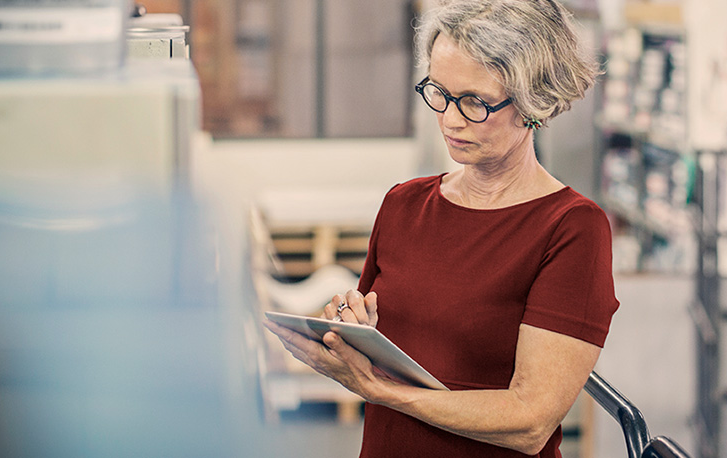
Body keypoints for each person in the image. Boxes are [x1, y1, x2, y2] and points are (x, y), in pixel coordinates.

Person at [263, 0, 619, 456]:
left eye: (474, 103)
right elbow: (385, 345)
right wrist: (351, 333)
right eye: (439, 92)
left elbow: (530, 422)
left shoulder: (571, 229)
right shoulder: (404, 204)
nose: (450, 119)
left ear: (533, 101)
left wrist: (384, 391)